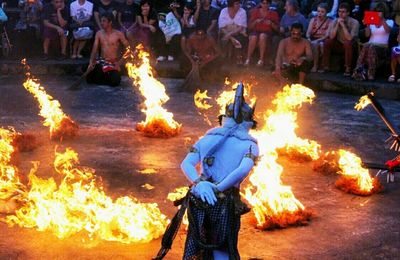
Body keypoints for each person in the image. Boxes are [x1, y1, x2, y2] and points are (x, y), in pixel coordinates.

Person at [154, 82, 259, 260]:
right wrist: (216, 189)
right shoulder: (249, 145)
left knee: (196, 246)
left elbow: (186, 164)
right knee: (222, 249)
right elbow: (242, 170)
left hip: (200, 199)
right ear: (249, 121)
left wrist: (201, 185)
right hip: (224, 203)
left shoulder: (206, 138)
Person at [86, 13, 129, 87]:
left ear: (110, 22)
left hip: (114, 63)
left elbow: (129, 49)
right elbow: (94, 49)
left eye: (104, 21)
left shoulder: (118, 34)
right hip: (102, 61)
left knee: (115, 81)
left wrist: (119, 63)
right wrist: (91, 62)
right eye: (101, 21)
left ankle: (107, 76)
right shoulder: (99, 33)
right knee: (88, 78)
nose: (101, 23)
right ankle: (106, 77)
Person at [353, 2, 392, 81]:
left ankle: (365, 72)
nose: (378, 13)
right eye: (376, 11)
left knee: (368, 46)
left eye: (380, 11)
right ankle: (362, 72)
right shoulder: (373, 22)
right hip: (370, 46)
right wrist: (368, 24)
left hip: (382, 47)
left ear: (384, 12)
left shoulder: (389, 21)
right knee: (368, 46)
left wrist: (382, 19)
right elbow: (367, 35)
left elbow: (388, 31)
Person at [321, 2, 359, 76]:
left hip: (351, 45)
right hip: (339, 43)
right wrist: (337, 24)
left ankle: (348, 68)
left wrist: (343, 25)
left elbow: (350, 38)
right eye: (339, 11)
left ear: (348, 13)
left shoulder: (355, 22)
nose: (341, 14)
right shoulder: (335, 21)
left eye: (343, 12)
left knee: (347, 43)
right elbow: (331, 36)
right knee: (327, 41)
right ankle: (325, 66)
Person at [245, 0, 279, 66]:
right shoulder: (255, 12)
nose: (265, 5)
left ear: (269, 4)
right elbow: (249, 27)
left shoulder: (273, 13)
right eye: (263, 3)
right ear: (261, 3)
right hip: (255, 31)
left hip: (267, 33)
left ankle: (261, 60)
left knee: (262, 36)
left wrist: (271, 23)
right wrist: (255, 22)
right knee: (254, 37)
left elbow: (277, 29)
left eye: (267, 3)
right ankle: (248, 59)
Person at [218, 0, 247, 65]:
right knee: (223, 39)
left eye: (239, 3)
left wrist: (229, 34)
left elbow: (240, 27)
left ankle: (239, 59)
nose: (239, 5)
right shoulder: (223, 11)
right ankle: (224, 58)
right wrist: (231, 37)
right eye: (237, 4)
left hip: (238, 33)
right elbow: (222, 27)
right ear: (231, 5)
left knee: (238, 39)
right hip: (225, 33)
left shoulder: (242, 11)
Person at [306, 2, 332, 72]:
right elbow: (308, 33)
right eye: (318, 11)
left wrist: (318, 40)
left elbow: (327, 35)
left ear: (326, 12)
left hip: (322, 39)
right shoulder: (313, 20)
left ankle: (316, 65)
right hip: (313, 38)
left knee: (319, 44)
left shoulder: (330, 21)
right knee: (309, 43)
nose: (320, 13)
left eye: (322, 12)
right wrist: (308, 38)